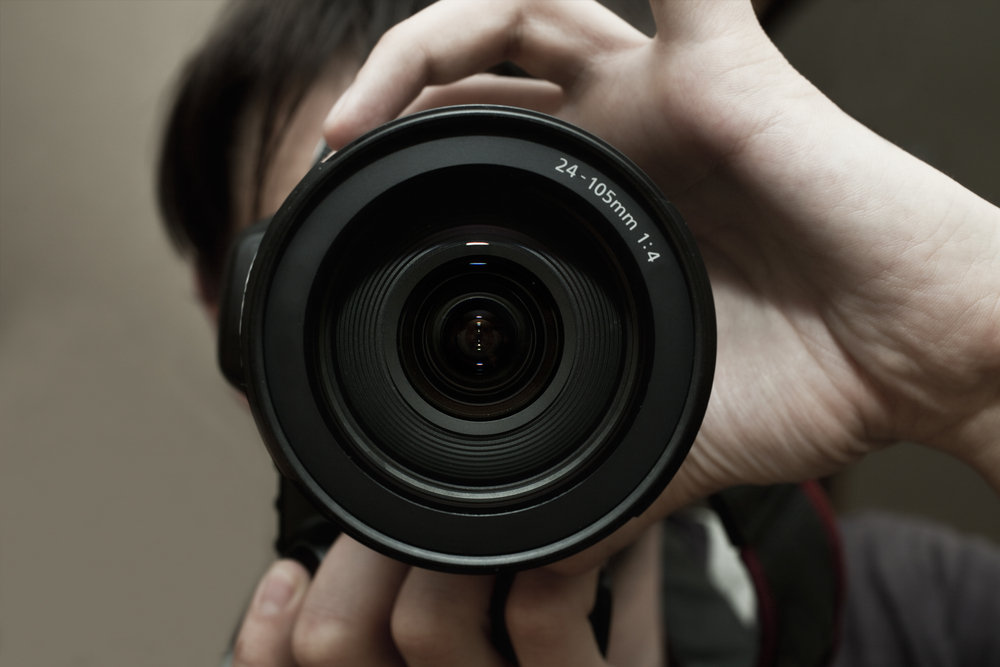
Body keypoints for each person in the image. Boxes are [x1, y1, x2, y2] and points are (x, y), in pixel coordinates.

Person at [158, 1, 1000, 665]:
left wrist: (977, 354)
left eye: (537, 233)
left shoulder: (937, 617)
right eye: (354, 248)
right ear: (241, 325)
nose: (475, 328)